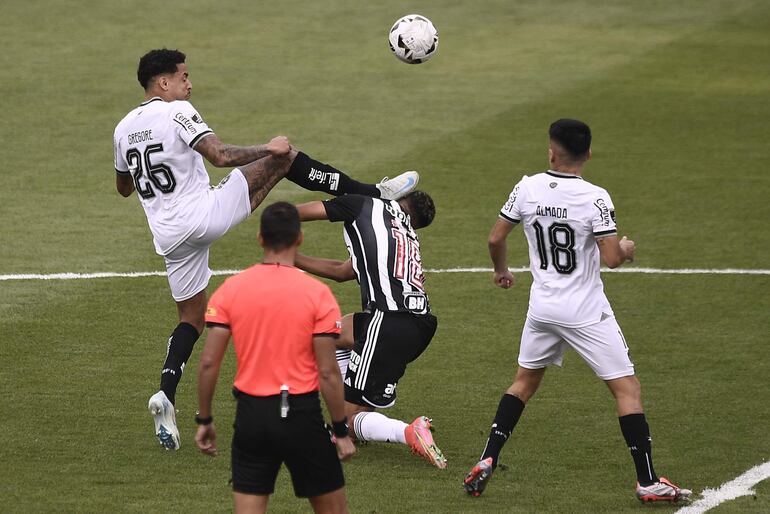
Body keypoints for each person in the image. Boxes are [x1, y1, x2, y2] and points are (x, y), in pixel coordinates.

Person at [112, 48, 418, 449]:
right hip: (203, 215)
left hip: (168, 236)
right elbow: (220, 156)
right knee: (285, 158)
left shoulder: (122, 128)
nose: (189, 84)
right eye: (183, 77)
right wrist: (266, 148)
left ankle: (165, 392)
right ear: (163, 82)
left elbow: (123, 187)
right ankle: (375, 194)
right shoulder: (177, 112)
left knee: (191, 318)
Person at [462, 119, 691, 503]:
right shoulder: (596, 197)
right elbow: (612, 259)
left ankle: (487, 458)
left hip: (542, 308)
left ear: (551, 152)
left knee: (523, 383)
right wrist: (629, 249)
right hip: (585, 312)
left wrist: (501, 271)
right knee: (627, 389)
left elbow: (495, 236)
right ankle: (648, 481)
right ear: (588, 154)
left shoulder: (527, 187)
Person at [195, 202, 355, 514]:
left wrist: (205, 419)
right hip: (301, 415)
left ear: (260, 239)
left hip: (252, 417)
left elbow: (208, 363)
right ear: (299, 239)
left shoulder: (231, 290)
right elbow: (328, 373)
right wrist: (340, 431)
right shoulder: (318, 294)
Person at [294, 186, 446, 469]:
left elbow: (299, 213)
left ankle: (408, 431)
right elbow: (343, 271)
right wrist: (293, 259)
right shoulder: (404, 233)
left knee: (347, 422)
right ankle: (358, 403)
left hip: (388, 321)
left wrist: (275, 218)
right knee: (328, 334)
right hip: (417, 325)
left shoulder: (362, 204)